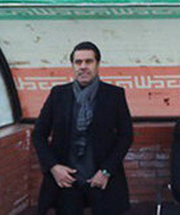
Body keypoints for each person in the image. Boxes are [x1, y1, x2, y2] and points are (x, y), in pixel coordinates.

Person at [31, 41, 133, 214]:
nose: (83, 66)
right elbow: (38, 135)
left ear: (97, 64)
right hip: (66, 180)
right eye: (78, 62)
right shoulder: (58, 94)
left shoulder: (114, 95)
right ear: (72, 65)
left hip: (101, 178)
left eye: (89, 61)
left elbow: (126, 136)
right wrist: (54, 167)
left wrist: (106, 171)